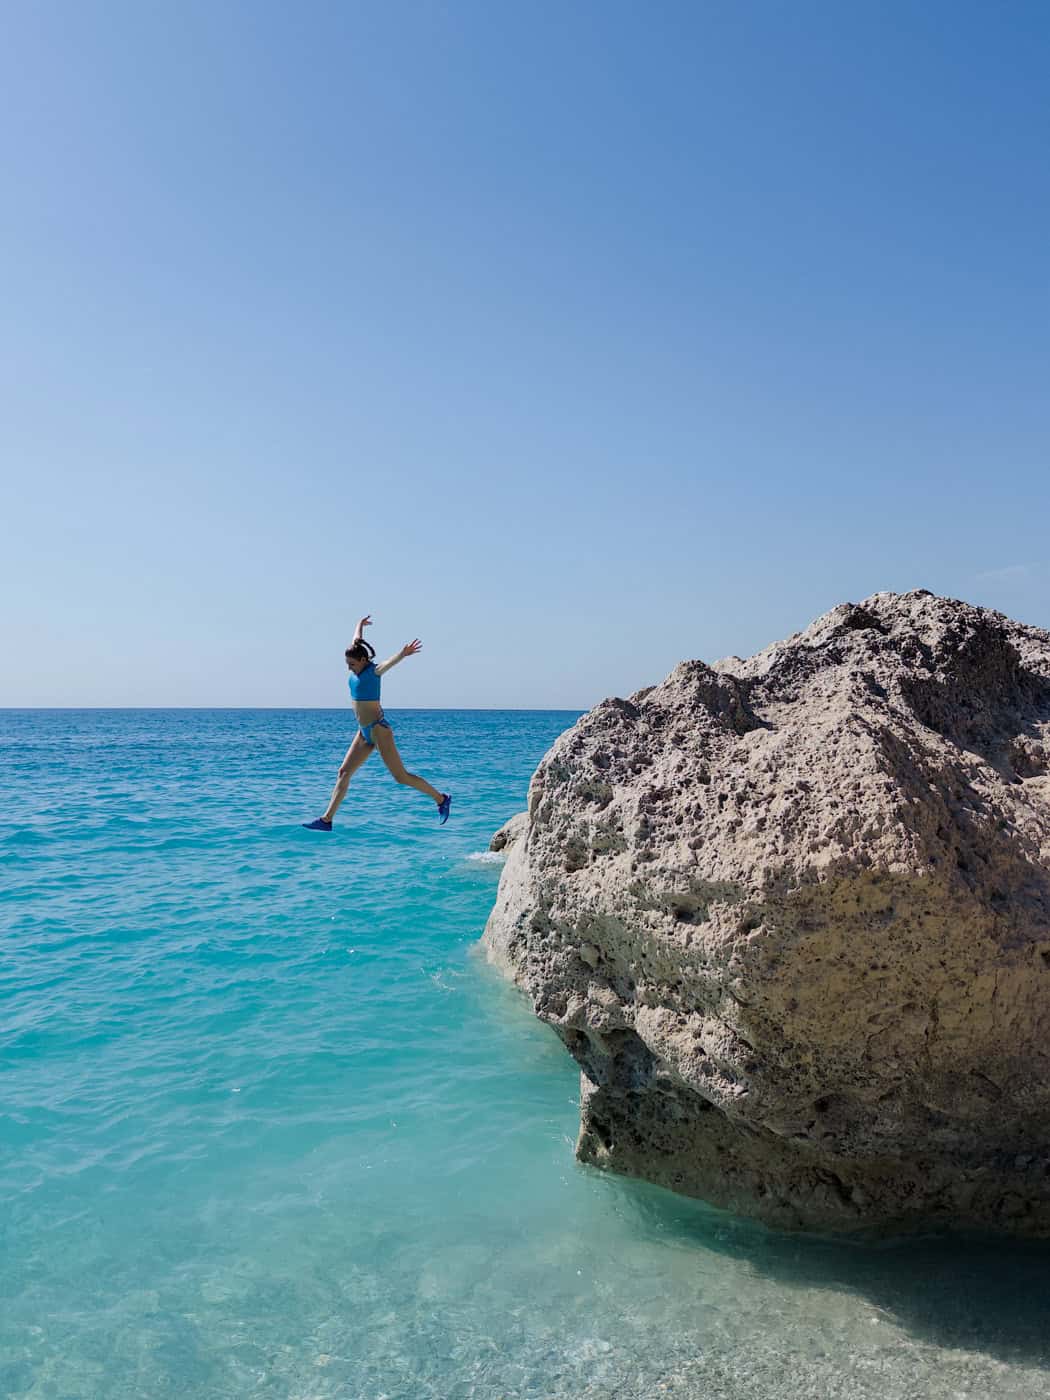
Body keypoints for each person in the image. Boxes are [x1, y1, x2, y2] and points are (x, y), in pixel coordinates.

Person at [303, 615, 451, 831]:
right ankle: (327, 820)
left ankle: (441, 799)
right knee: (343, 772)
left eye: (352, 664)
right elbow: (356, 641)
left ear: (363, 661)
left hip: (379, 730)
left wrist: (403, 653)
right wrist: (359, 626)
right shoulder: (356, 656)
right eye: (347, 664)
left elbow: (387, 664)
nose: (349, 668)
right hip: (363, 732)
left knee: (401, 777)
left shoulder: (373, 672)